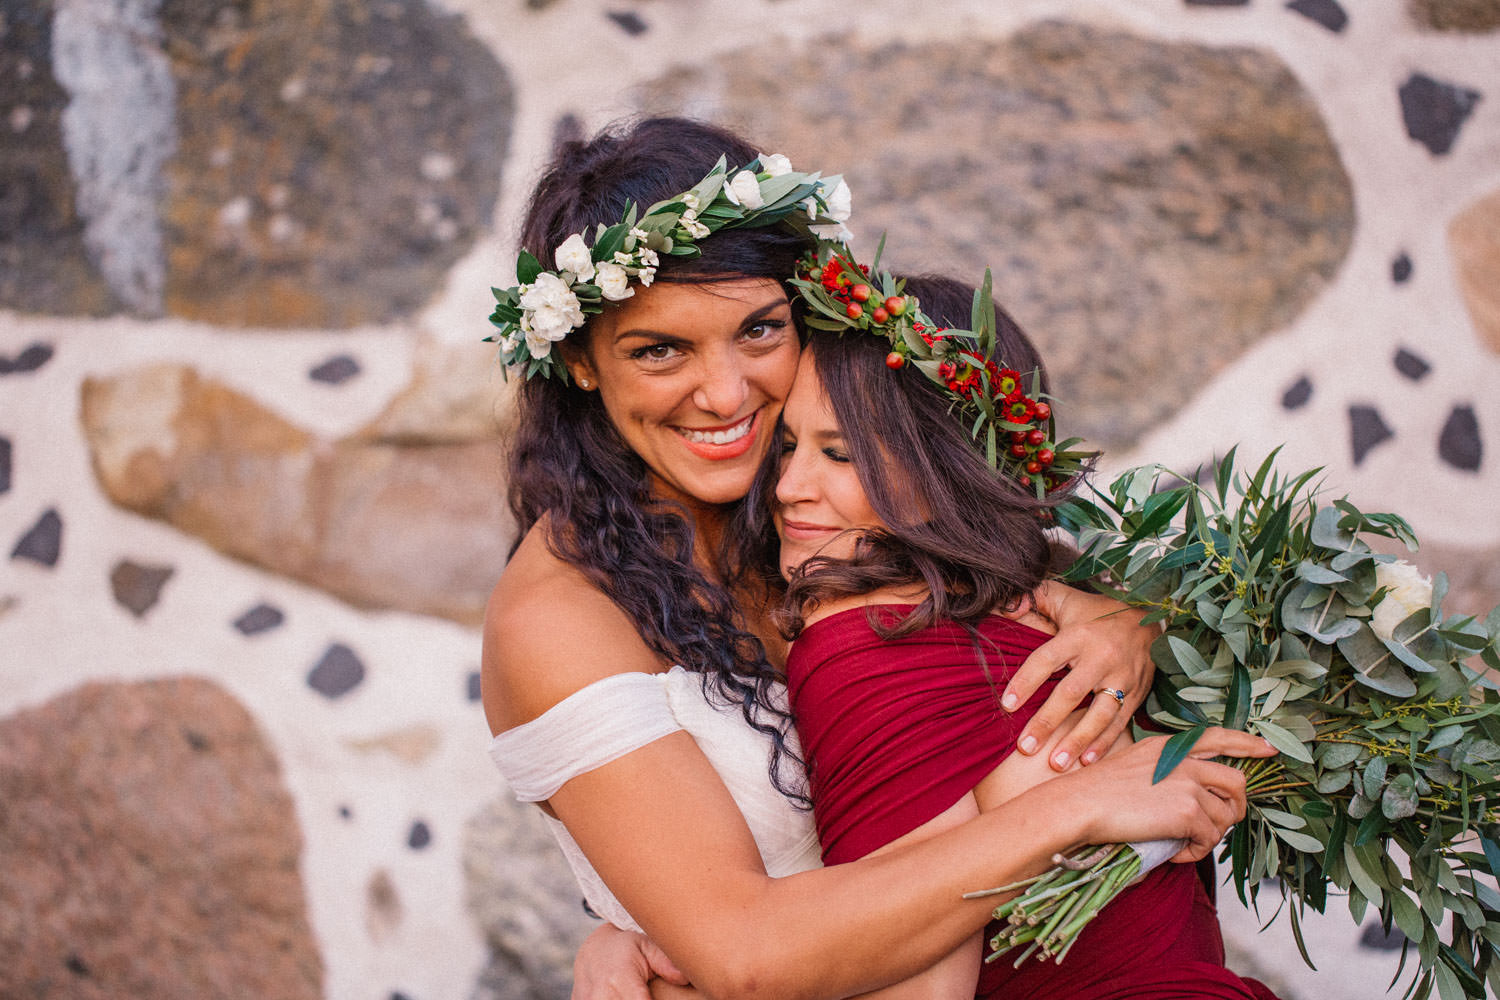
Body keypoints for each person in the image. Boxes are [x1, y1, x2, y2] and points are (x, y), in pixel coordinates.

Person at [481, 116, 1274, 1000]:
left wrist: (1119, 613)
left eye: (758, 331)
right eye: (658, 350)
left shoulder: (812, 521)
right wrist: (1073, 810)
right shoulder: (558, 618)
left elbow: (967, 648)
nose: (725, 392)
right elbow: (745, 953)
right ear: (581, 362)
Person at [759, 267, 1279, 998]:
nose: (787, 486)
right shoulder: (1039, 612)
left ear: (950, 470)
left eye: (841, 454)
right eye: (787, 446)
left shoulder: (864, 639)